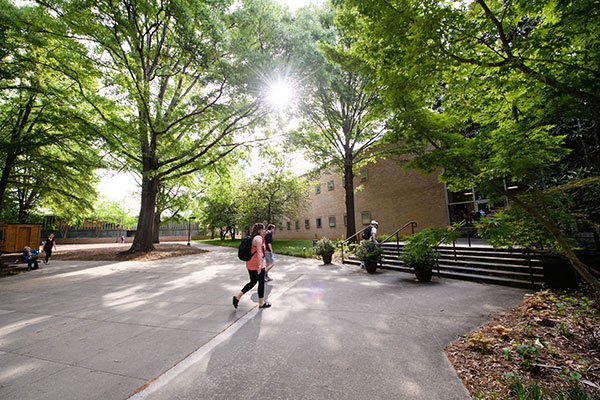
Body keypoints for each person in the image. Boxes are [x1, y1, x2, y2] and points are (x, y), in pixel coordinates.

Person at [233, 223, 271, 309]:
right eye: (263, 229)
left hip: (249, 263)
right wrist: (261, 265)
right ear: (259, 230)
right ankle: (261, 303)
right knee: (261, 283)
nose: (264, 231)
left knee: (253, 282)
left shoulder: (251, 237)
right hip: (257, 264)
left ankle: (237, 297)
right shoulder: (258, 238)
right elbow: (259, 252)